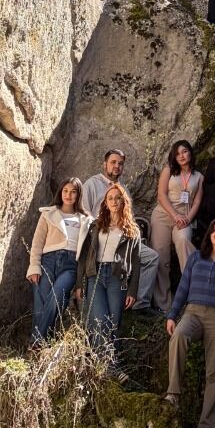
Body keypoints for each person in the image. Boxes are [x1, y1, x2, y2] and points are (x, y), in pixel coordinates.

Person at [165, 216, 215, 428]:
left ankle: (205, 427)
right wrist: (172, 315)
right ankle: (173, 394)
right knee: (179, 335)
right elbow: (182, 288)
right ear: (209, 234)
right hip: (194, 312)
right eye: (214, 230)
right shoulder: (196, 259)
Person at [81, 149, 161, 312]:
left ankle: (140, 304)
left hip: (123, 239)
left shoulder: (123, 189)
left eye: (120, 163)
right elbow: (83, 211)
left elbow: (128, 217)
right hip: (100, 237)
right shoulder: (92, 183)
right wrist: (99, 225)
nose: (117, 166)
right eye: (113, 162)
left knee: (151, 257)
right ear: (105, 164)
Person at [76, 180, 142, 362]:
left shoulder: (132, 230)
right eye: (110, 198)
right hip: (95, 276)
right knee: (99, 322)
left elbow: (136, 263)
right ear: (105, 202)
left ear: (123, 201)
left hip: (117, 278)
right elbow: (84, 257)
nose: (113, 201)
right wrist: (78, 283)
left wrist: (132, 291)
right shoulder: (96, 226)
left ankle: (109, 365)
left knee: (114, 324)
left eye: (117, 198)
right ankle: (109, 367)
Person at [27, 177, 94, 344]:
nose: (68, 195)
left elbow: (87, 252)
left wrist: (81, 281)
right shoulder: (48, 214)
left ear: (78, 195)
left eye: (73, 192)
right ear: (60, 192)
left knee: (57, 297)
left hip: (71, 265)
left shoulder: (86, 220)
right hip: (47, 260)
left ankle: (35, 342)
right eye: (65, 191)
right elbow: (37, 242)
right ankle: (42, 345)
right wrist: (34, 266)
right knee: (40, 303)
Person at [149, 139, 203, 311]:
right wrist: (175, 215)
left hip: (185, 219)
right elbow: (161, 196)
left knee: (184, 243)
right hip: (164, 215)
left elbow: (197, 202)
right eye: (178, 153)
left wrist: (186, 218)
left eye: (185, 151)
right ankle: (164, 305)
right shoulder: (168, 171)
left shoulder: (199, 177)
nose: (181, 155)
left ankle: (192, 297)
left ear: (190, 153)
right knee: (161, 256)